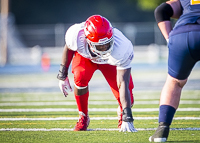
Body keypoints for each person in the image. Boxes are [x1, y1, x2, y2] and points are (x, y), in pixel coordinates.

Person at [57, 15, 137, 132]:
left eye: (107, 43)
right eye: (100, 45)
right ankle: (83, 116)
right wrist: (62, 75)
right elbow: (69, 47)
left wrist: (127, 114)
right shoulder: (76, 35)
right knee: (80, 76)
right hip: (86, 58)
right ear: (88, 41)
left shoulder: (122, 47)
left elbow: (123, 82)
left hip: (110, 61)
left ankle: (121, 112)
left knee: (128, 97)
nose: (105, 47)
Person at [149, 0, 200, 142]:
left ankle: (162, 130)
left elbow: (161, 10)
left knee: (174, 82)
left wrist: (169, 39)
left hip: (181, 35)